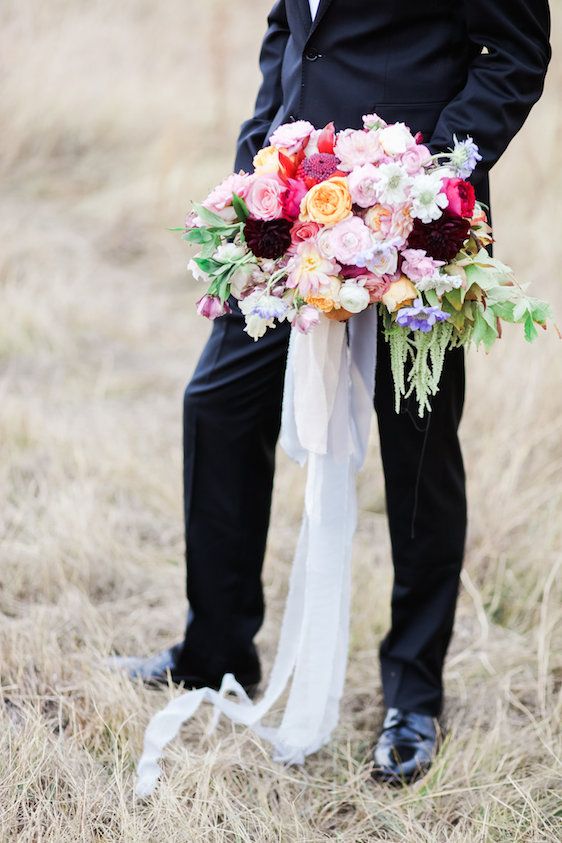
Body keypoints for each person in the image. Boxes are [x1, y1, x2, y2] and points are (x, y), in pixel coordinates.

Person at [121, 0, 551, 783]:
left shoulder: (421, 202)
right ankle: (215, 653)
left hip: (415, 226)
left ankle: (413, 695)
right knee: (217, 406)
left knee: (415, 445)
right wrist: (260, 161)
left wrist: (425, 182)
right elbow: (291, 31)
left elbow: (514, 54)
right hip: (288, 210)